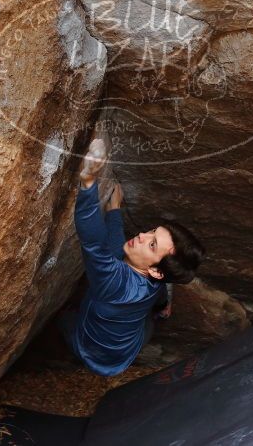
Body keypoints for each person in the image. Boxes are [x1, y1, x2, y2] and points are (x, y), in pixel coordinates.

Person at [59, 139, 205, 376]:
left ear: (156, 270)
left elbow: (95, 242)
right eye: (152, 232)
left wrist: (88, 182)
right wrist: (114, 211)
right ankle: (161, 312)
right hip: (130, 346)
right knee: (150, 319)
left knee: (65, 319)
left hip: (91, 351)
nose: (141, 236)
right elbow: (119, 250)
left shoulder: (114, 282)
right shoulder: (155, 280)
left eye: (152, 244)